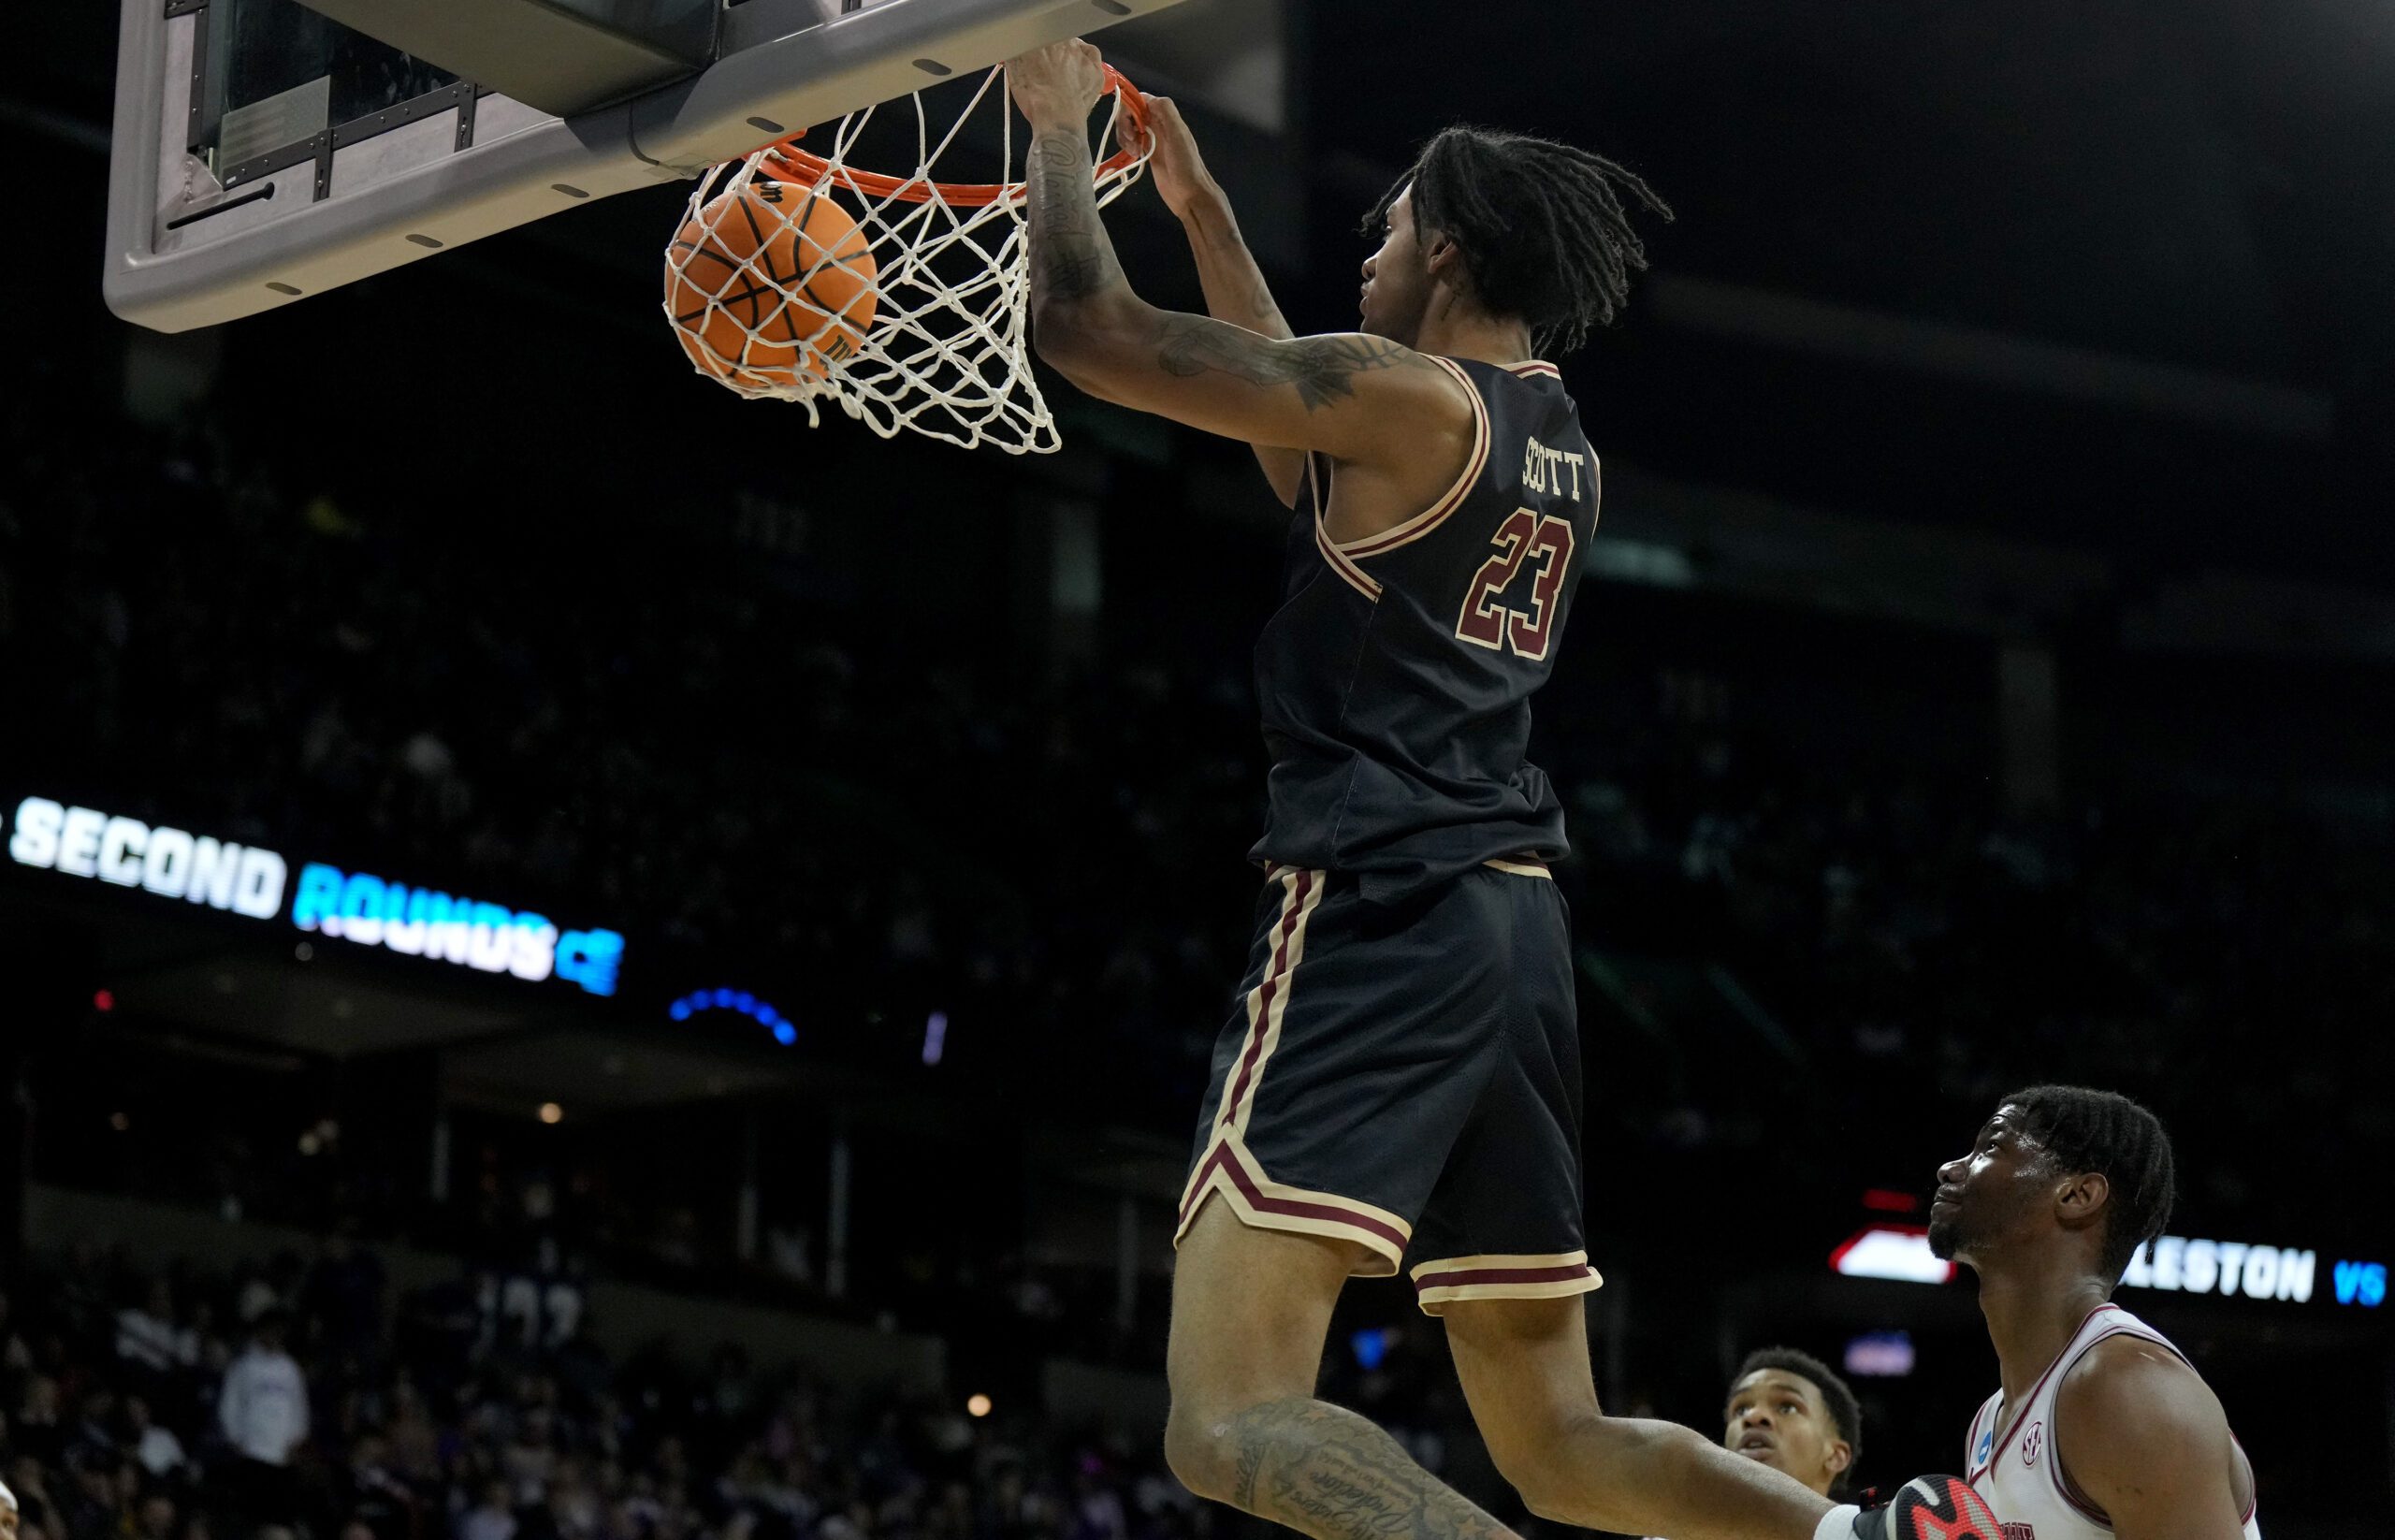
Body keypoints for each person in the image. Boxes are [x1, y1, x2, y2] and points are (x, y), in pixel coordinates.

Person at [1006, 37, 1996, 1540]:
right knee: (1562, 1441)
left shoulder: (1407, 399)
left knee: (1221, 1420)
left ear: (1448, 247)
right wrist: (1206, 211)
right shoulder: (1557, 444)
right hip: (1516, 941)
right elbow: (1297, 441)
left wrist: (1058, 127)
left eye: (1386, 230)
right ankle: (1865, 1537)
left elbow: (1083, 328)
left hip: (1378, 902)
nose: (1369, 251)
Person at [1929, 1086, 2261, 1539]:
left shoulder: (2128, 1387)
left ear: (2078, 1194)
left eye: (1990, 1147)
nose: (1949, 1169)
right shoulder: (1990, 1420)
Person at [1721, 1349, 1862, 1500]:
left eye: (1787, 1407)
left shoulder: (1876, 1523)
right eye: (1741, 1410)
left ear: (1835, 1456)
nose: (1753, 1416)